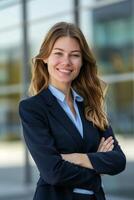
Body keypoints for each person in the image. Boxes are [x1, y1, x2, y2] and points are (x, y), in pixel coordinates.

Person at [19, 22, 126, 200]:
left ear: (82, 61)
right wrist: (97, 165)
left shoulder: (92, 105)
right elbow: (53, 172)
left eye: (74, 55)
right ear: (45, 57)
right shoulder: (33, 108)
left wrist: (78, 158)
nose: (66, 62)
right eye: (58, 53)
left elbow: (118, 161)